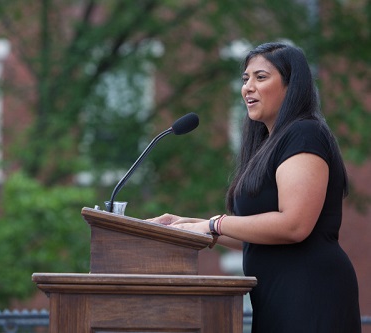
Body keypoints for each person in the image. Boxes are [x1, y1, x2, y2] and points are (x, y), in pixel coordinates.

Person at [148, 42, 361, 332]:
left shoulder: (304, 134)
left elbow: (293, 225)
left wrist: (214, 225)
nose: (247, 87)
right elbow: (256, 237)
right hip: (275, 296)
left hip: (310, 292)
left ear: (291, 86)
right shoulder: (266, 145)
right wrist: (189, 226)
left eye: (260, 77)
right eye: (245, 79)